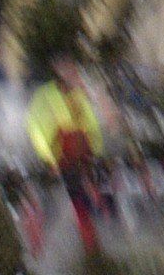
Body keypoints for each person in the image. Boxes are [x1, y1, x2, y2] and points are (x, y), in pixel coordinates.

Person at [24, 58, 110, 264]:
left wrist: (94, 152)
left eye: (74, 70)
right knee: (49, 202)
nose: (73, 75)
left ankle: (91, 247)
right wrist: (49, 157)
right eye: (68, 70)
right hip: (57, 155)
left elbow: (91, 125)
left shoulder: (80, 95)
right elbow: (36, 126)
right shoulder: (47, 95)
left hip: (77, 155)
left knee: (77, 200)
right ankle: (36, 239)